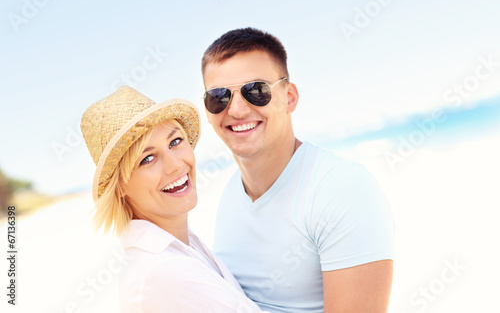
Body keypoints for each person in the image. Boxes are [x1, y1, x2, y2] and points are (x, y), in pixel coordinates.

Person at [201, 27, 395, 313]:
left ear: (289, 97)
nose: (237, 110)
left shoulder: (341, 189)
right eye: (219, 97)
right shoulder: (230, 193)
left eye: (256, 91)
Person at [80, 86, 266, 312]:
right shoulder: (163, 272)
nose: (176, 165)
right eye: (147, 158)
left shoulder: (179, 244)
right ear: (119, 187)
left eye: (175, 142)